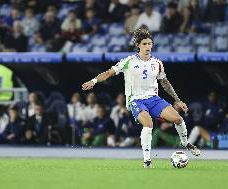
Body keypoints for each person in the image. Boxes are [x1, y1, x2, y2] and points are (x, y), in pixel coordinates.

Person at [82, 27, 200, 168]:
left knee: (178, 119)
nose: (147, 47)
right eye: (144, 44)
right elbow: (108, 73)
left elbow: (164, 82)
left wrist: (177, 100)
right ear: (138, 45)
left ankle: (185, 142)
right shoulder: (129, 61)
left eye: (149, 44)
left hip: (154, 99)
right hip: (136, 100)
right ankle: (147, 161)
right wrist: (93, 81)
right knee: (148, 124)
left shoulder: (157, 63)